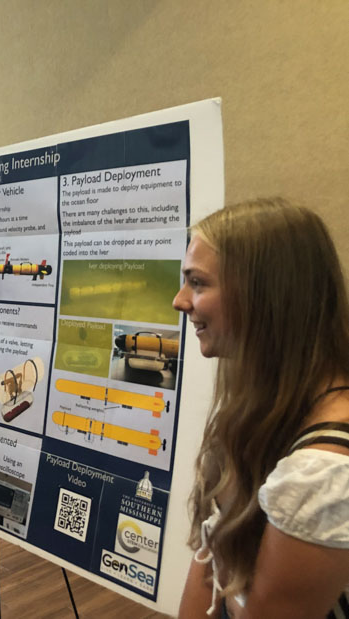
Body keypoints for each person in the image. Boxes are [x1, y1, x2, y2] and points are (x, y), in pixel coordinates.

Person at [173, 198, 349, 618]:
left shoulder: (325, 471)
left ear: (264, 296)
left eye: (197, 283)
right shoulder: (258, 410)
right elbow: (211, 562)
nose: (180, 301)